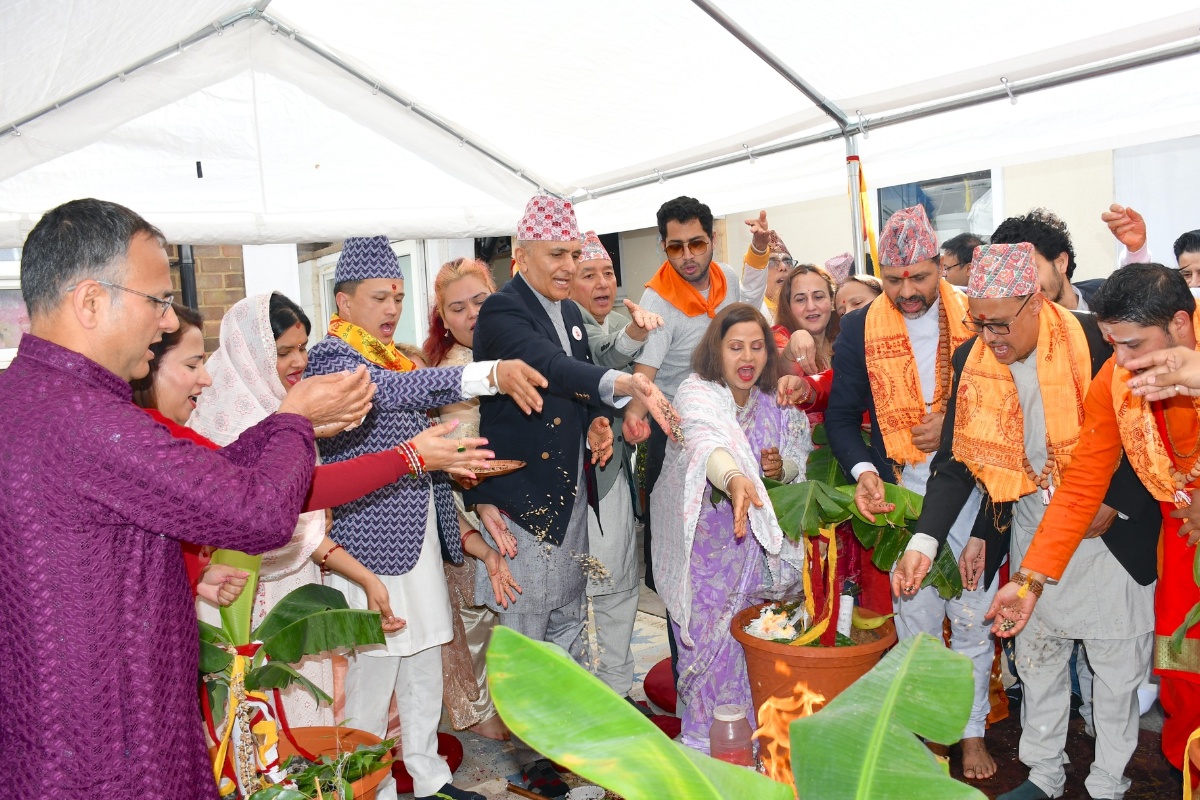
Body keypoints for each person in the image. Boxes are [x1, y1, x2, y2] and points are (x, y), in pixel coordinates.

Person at [0, 198, 373, 798]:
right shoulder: (87, 418)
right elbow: (258, 516)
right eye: (158, 300)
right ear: (90, 301)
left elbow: (199, 481)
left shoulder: (26, 397)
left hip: (47, 733)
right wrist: (295, 421)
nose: (169, 322)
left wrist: (285, 429)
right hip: (112, 748)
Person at [892, 245, 1158, 799]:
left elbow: (1149, 432)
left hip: (1109, 531)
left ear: (1035, 302)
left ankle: (1108, 782)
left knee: (1115, 671)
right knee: (1038, 658)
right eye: (979, 323)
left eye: (1000, 323)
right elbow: (960, 462)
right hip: (1037, 523)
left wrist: (1116, 499)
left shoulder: (1097, 340)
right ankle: (1044, 774)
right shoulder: (973, 360)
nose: (990, 338)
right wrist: (925, 539)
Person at [304, 236, 544, 800]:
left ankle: (430, 776)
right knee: (372, 675)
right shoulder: (334, 359)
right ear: (343, 302)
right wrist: (487, 375)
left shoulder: (394, 356)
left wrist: (454, 472)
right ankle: (367, 787)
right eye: (379, 298)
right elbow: (390, 393)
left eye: (397, 296)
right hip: (369, 547)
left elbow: (420, 445)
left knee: (423, 662)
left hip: (419, 539)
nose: (392, 308)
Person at [465, 195, 673, 799]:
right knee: (527, 635)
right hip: (523, 499)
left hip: (569, 495)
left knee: (566, 621)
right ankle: (532, 755)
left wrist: (596, 422)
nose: (567, 267)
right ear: (521, 254)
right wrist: (622, 384)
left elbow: (571, 394)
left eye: (573, 254)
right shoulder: (502, 311)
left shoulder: (571, 312)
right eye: (556, 255)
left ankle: (564, 743)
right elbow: (551, 367)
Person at [989, 263, 1200, 791]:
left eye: (1133, 344)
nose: (1120, 360)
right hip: (1183, 546)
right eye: (1112, 344)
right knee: (1184, 675)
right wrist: (1030, 580)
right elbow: (1083, 481)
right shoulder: (1117, 379)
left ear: (1180, 323)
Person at [824, 204, 997, 779]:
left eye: (919, 277)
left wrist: (950, 425)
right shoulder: (859, 326)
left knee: (972, 620)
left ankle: (971, 733)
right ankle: (929, 732)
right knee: (917, 626)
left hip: (974, 486)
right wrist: (862, 471)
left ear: (941, 266)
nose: (906, 292)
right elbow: (841, 418)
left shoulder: (977, 314)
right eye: (894, 279)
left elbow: (1005, 407)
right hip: (902, 494)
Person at [652, 302, 807, 753]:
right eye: (735, 346)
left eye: (757, 347)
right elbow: (704, 440)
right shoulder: (696, 394)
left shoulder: (775, 403)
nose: (747, 357)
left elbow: (799, 460)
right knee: (708, 651)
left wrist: (779, 470)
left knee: (755, 644)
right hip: (705, 553)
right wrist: (736, 477)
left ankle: (754, 744)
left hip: (757, 554)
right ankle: (706, 745)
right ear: (715, 351)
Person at [621, 196, 770, 666]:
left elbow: (749, 314)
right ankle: (687, 670)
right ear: (663, 246)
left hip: (733, 423)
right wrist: (639, 415)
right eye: (675, 246)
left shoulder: (726, 277)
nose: (687, 256)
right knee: (681, 557)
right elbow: (644, 375)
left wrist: (759, 252)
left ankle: (740, 662)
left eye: (697, 244)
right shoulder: (658, 299)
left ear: (712, 240)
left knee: (735, 553)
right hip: (676, 436)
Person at [569, 231, 662, 707]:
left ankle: (614, 688)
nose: (602, 283)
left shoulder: (619, 322)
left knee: (617, 581)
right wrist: (637, 336)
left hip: (615, 474)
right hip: (578, 481)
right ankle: (590, 690)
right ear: (567, 283)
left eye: (607, 273)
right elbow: (604, 356)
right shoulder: (568, 326)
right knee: (586, 587)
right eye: (589, 275)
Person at [422, 257, 510, 741]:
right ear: (443, 317)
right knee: (474, 609)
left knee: (503, 605)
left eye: (480, 300)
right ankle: (477, 708)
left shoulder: (511, 349)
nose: (473, 314)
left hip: (504, 495)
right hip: (459, 498)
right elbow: (456, 452)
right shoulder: (453, 368)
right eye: (458, 308)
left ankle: (505, 696)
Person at [992, 208, 1095, 310]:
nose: (1023, 284)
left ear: (1061, 262)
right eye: (1012, 276)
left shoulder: (1101, 296)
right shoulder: (1011, 318)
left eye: (1029, 269)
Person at [1101, 204, 1200, 288]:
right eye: (1187, 275)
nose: (1194, 283)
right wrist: (1136, 250)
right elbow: (1136, 292)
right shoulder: (1173, 301)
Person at [761, 230, 795, 320]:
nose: (783, 267)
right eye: (772, 262)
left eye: (787, 261)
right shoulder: (755, 311)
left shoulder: (802, 310)